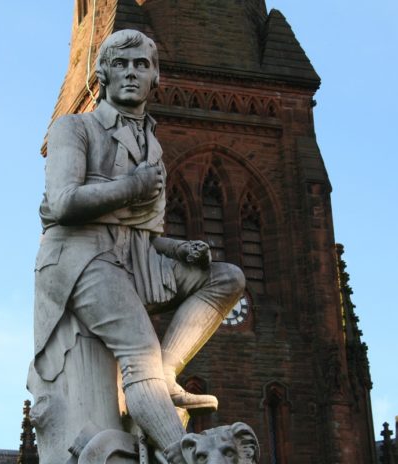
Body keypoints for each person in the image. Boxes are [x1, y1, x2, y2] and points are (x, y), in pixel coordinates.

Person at [33, 29, 245, 461]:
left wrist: (179, 249)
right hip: (80, 256)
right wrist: (132, 186)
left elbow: (146, 232)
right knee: (139, 352)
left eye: (141, 65)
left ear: (155, 77)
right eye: (121, 64)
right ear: (103, 74)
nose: (131, 72)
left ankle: (163, 374)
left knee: (227, 278)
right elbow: (64, 202)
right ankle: (178, 452)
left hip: (136, 258)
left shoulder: (154, 144)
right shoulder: (73, 128)